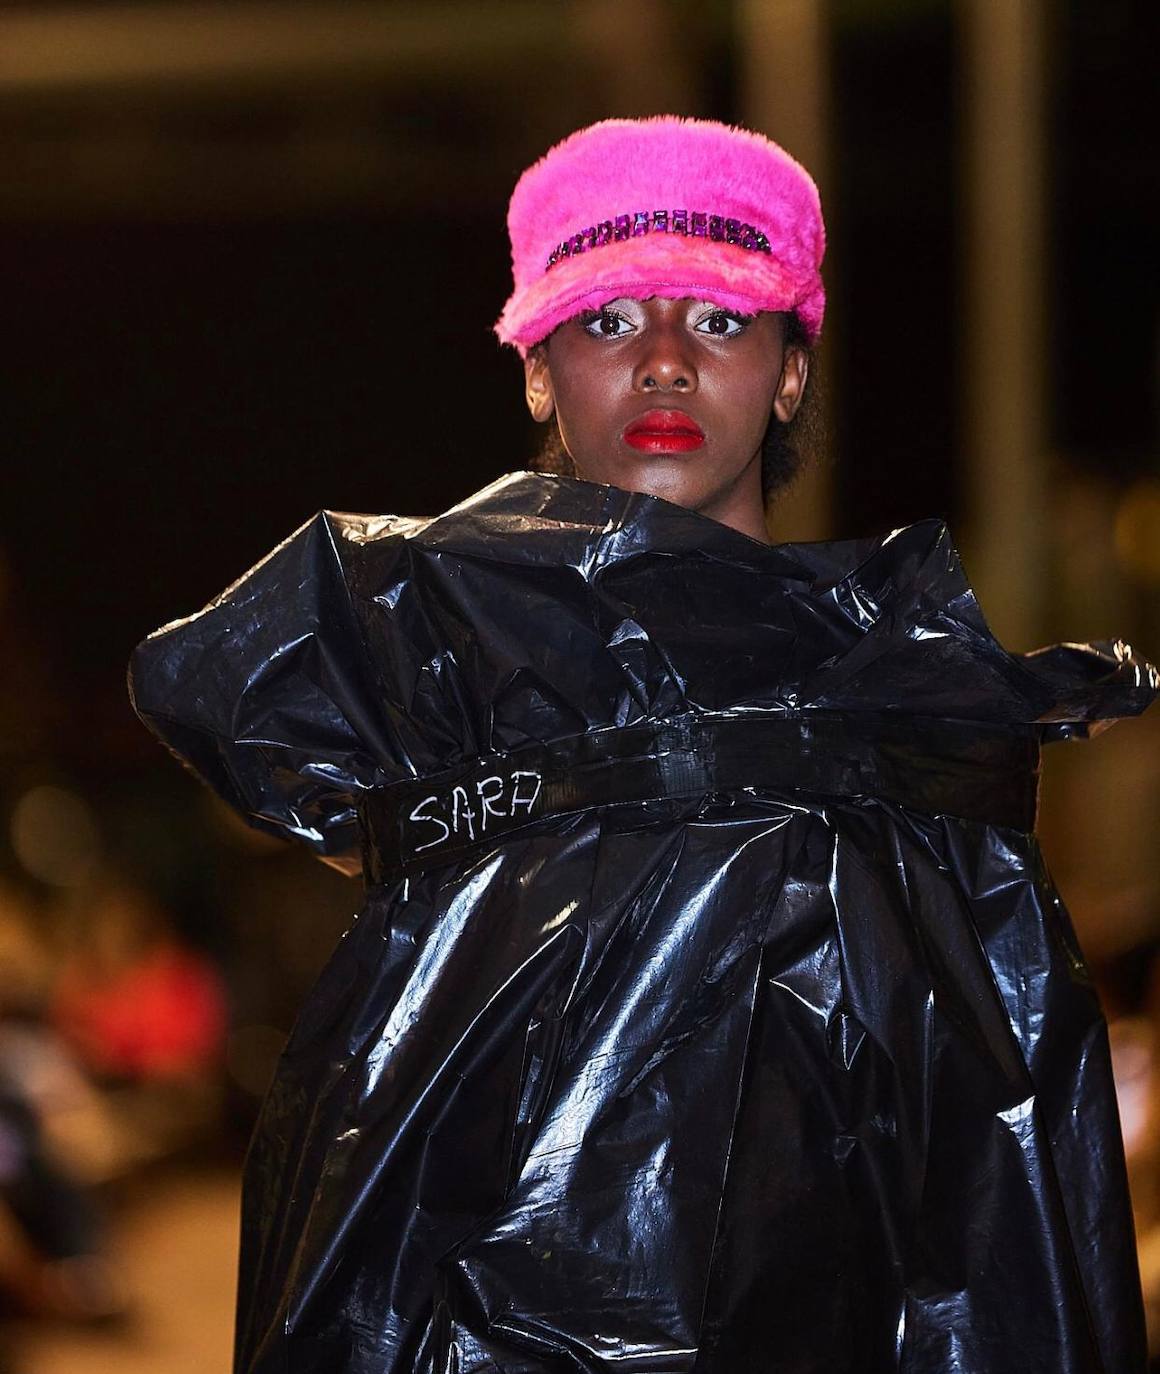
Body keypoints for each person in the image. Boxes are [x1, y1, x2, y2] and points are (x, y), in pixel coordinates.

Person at [130, 117, 1157, 1374]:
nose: (664, 363)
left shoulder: (909, 737)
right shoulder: (412, 666)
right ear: (535, 365)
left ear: (788, 371)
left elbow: (984, 1209)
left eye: (719, 320)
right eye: (610, 321)